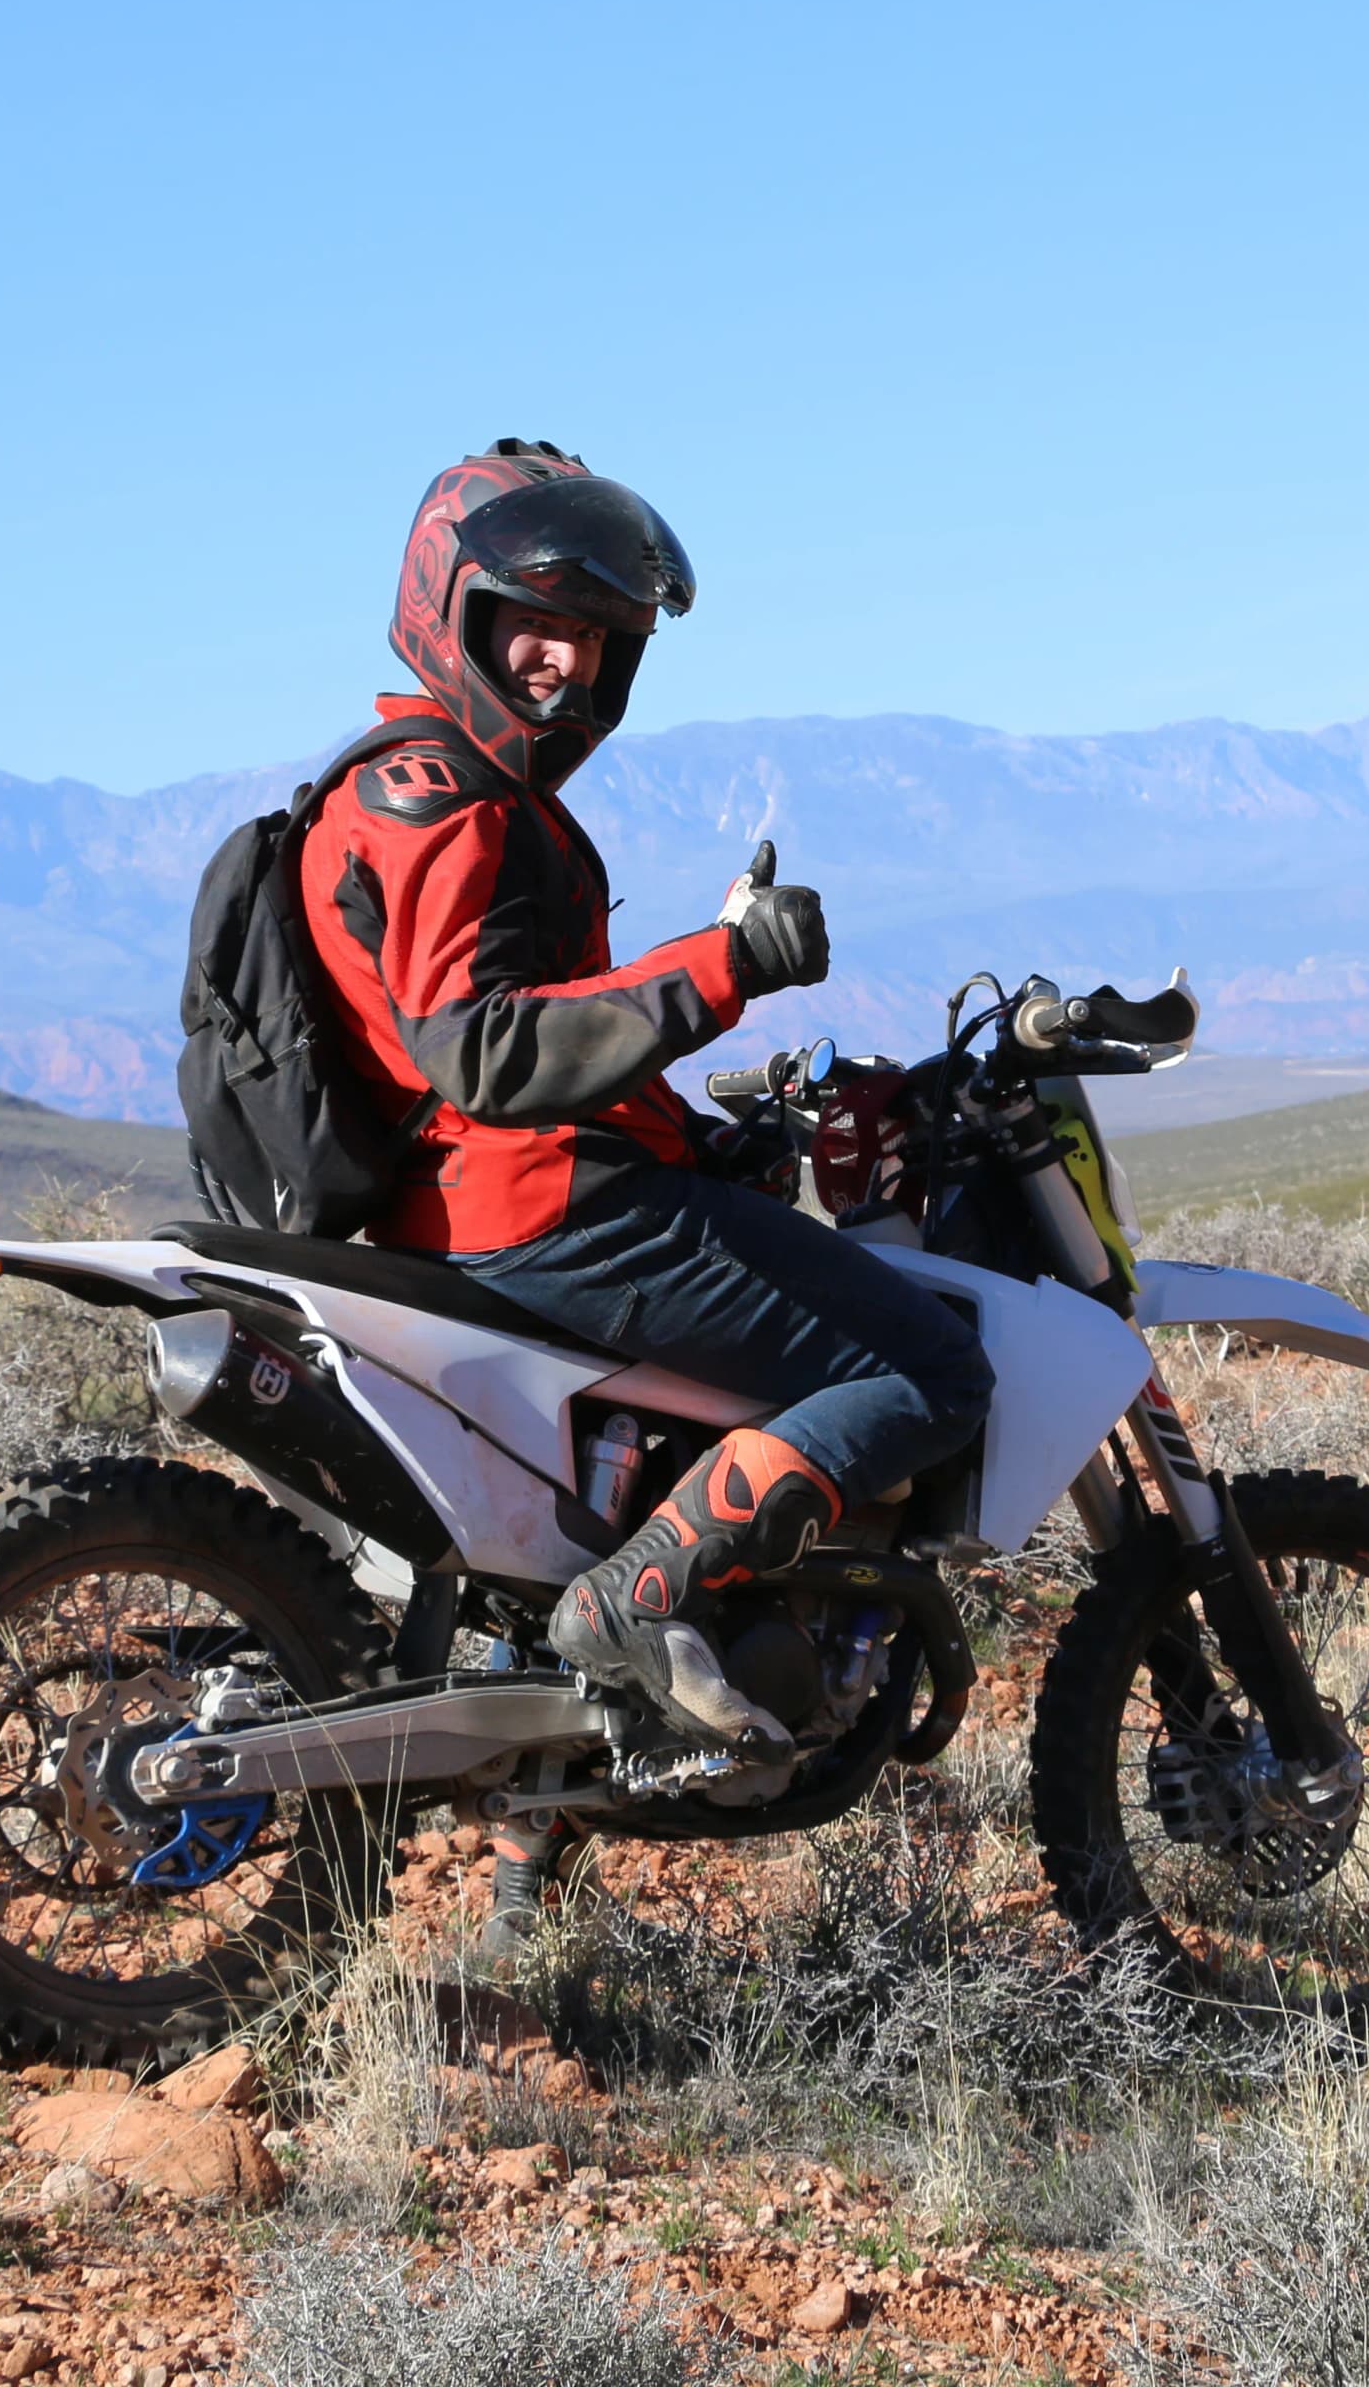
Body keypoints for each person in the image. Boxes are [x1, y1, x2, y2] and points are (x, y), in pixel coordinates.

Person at [299, 440, 993, 1769]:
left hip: (478, 1208)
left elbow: (523, 1047)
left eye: (596, 640)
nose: (564, 664)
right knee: (930, 1369)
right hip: (540, 1216)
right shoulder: (446, 803)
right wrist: (728, 963)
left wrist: (703, 1143)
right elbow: (488, 1055)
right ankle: (643, 1600)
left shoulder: (410, 787)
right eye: (536, 626)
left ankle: (546, 1818)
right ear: (454, 609)